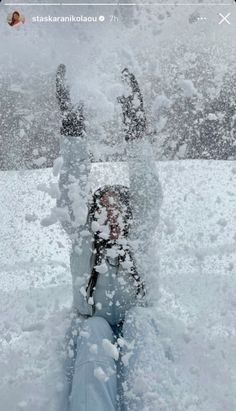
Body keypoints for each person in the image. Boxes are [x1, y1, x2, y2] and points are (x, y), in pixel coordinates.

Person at [56, 64, 163, 411]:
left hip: (135, 319)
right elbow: (72, 178)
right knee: (94, 335)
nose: (110, 214)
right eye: (102, 208)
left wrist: (134, 122)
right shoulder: (82, 235)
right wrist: (72, 123)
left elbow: (145, 184)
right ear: (92, 215)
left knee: (139, 329)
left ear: (131, 214)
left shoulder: (139, 233)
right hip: (94, 322)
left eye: (118, 207)